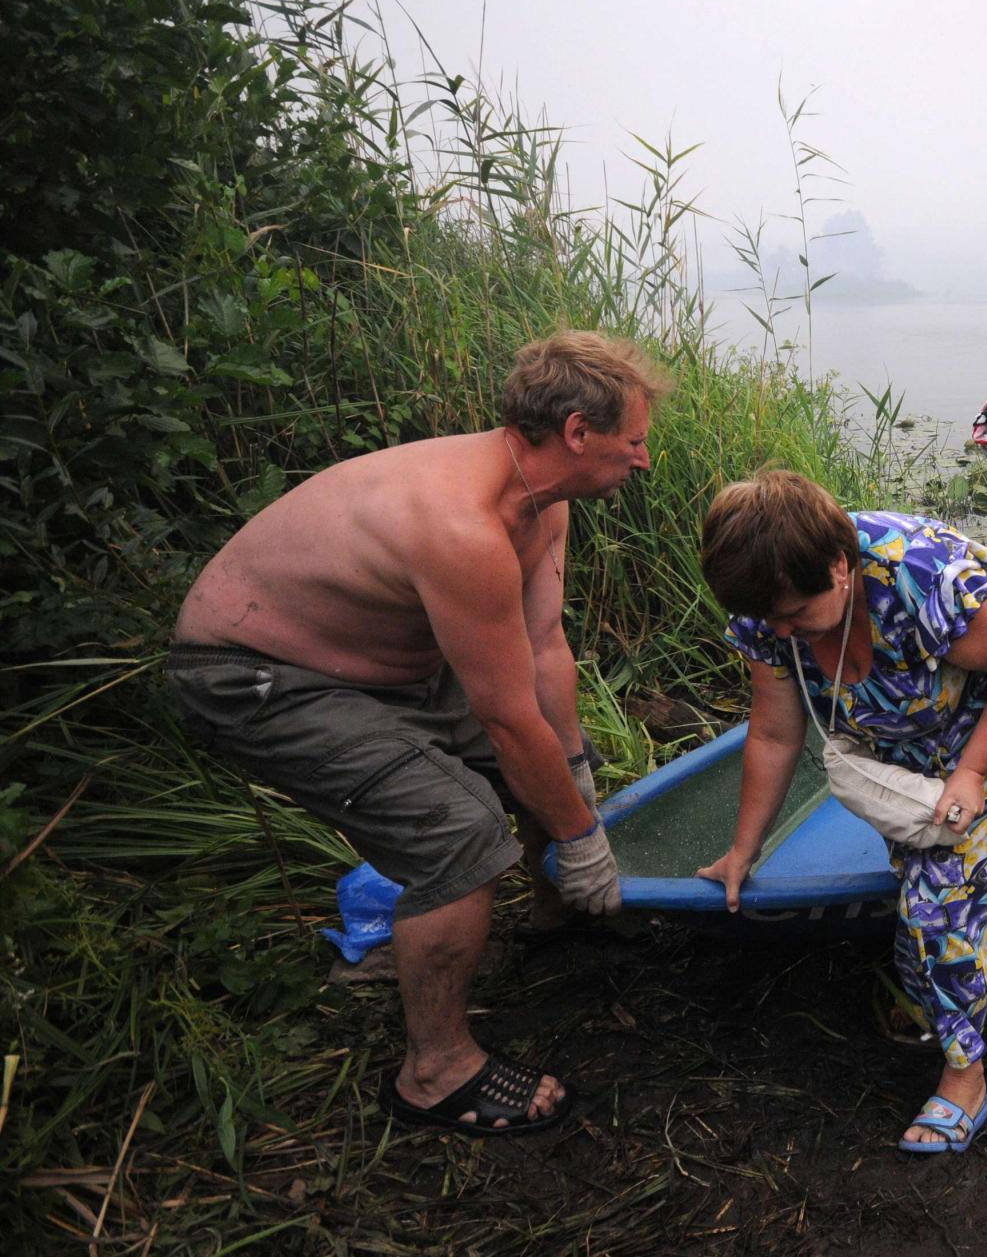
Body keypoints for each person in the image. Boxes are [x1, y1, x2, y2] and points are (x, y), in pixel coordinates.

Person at [167, 330, 666, 1137]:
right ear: (579, 432)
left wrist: (574, 783)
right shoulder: (460, 525)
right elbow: (506, 720)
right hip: (250, 674)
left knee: (553, 762)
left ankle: (558, 922)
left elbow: (543, 653)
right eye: (634, 441)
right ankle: (434, 1072)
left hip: (376, 663)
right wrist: (582, 839)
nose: (643, 460)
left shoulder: (545, 501)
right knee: (458, 829)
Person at [695, 472, 987, 1153]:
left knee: (940, 905)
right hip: (898, 766)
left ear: (840, 566)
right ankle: (959, 994)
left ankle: (966, 1076)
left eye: (794, 615)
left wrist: (973, 771)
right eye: (768, 621)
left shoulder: (924, 578)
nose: (779, 631)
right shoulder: (768, 603)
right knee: (931, 886)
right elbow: (774, 731)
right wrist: (745, 848)